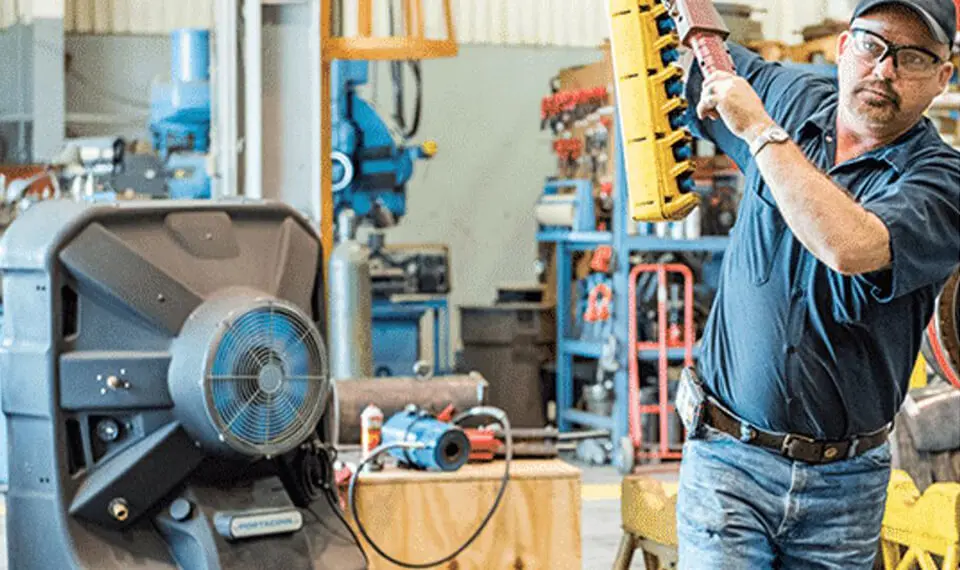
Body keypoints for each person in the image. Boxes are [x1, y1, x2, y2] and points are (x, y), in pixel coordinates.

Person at [675, 0, 960, 567]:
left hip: (845, 489)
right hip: (728, 462)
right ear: (843, 47)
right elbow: (689, 54)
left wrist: (758, 131)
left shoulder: (942, 182)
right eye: (872, 45)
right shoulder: (790, 96)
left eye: (911, 57)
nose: (883, 69)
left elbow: (850, 247)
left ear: (942, 77)